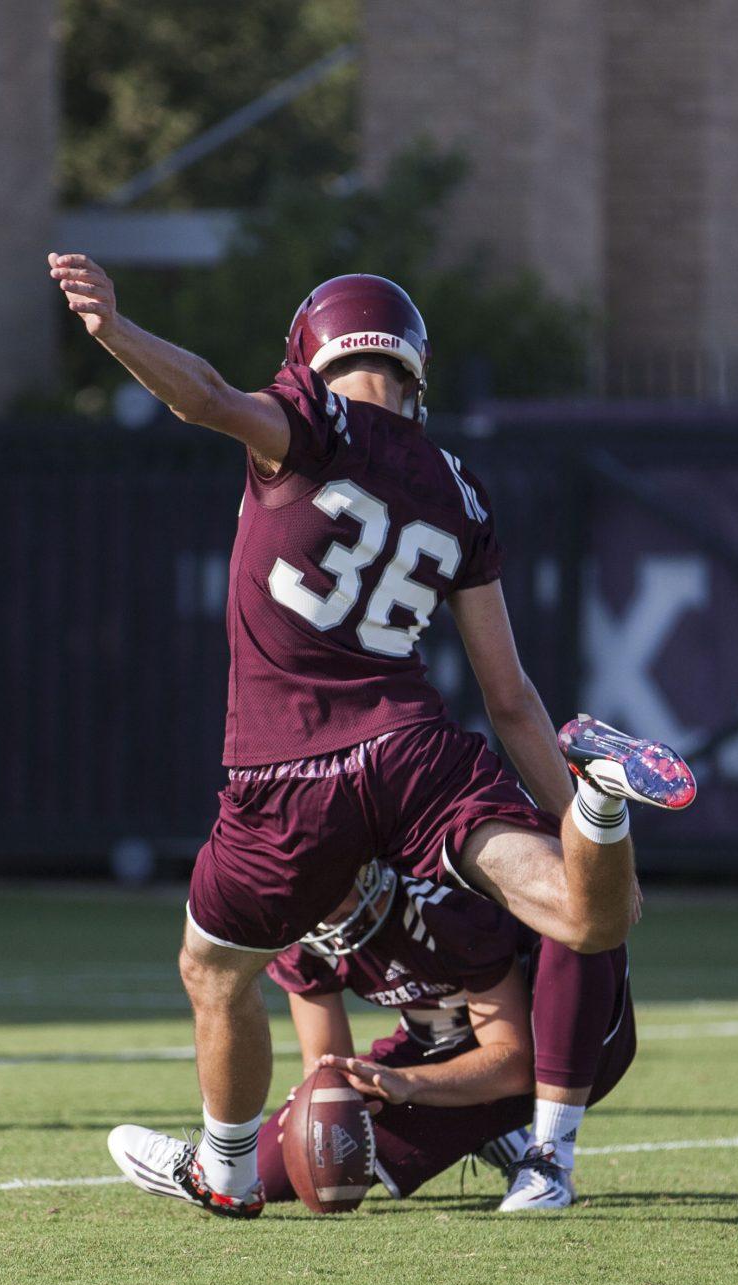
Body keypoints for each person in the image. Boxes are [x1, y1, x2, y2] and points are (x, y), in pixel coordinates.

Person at [50, 254, 695, 1218]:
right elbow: (512, 697)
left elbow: (212, 399)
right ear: (413, 372)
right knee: (589, 916)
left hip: (290, 768)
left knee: (209, 966)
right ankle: (603, 806)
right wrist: (570, 811)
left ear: (312, 357)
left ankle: (223, 1169)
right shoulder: (459, 487)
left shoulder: (310, 420)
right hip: (411, 749)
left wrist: (117, 334)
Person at [251, 862, 637, 1211]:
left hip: (550, 1045)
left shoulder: (439, 903)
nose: (316, 908)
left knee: (576, 916)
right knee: (272, 1171)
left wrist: (411, 1082)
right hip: (435, 1044)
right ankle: (486, 1131)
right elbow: (327, 1070)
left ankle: (548, 1159)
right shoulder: (301, 935)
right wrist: (336, 1100)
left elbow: (514, 1061)